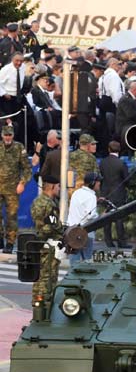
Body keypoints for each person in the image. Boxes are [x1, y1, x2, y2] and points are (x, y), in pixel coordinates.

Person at [30, 175, 63, 303]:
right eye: (58, 186)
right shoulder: (50, 204)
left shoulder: (37, 201)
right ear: (52, 187)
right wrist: (61, 228)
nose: (59, 189)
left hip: (38, 243)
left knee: (39, 277)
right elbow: (52, 226)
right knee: (48, 278)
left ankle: (37, 303)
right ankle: (45, 305)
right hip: (49, 246)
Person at [0, 125, 30, 252]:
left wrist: (22, 183)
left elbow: (27, 169)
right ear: (2, 135)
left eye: (9, 135)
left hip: (12, 189)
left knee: (11, 217)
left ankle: (10, 243)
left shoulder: (19, 148)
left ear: (12, 135)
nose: (7, 138)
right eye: (5, 135)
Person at [66, 172, 100, 262]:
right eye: (98, 181)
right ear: (92, 183)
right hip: (86, 233)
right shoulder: (91, 196)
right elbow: (90, 216)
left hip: (72, 231)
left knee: (74, 261)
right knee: (86, 262)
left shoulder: (76, 193)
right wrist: (100, 215)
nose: (99, 183)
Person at [99, 141, 128, 247]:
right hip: (118, 193)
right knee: (119, 218)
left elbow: (101, 177)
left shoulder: (103, 162)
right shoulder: (121, 163)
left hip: (105, 192)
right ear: (119, 150)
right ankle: (121, 242)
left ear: (108, 149)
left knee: (107, 218)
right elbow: (127, 179)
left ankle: (108, 241)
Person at [116, 79, 136, 150]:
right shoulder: (126, 99)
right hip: (126, 127)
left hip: (133, 125)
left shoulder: (135, 99)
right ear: (135, 90)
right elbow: (131, 115)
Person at [68, 133, 98, 199]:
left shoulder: (71, 155)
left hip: (71, 192)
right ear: (87, 145)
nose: (95, 146)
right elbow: (96, 176)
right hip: (85, 192)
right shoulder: (91, 158)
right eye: (92, 144)